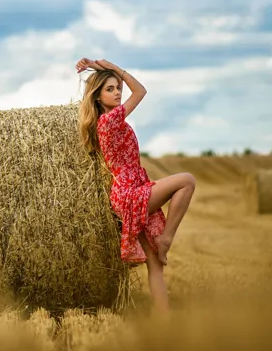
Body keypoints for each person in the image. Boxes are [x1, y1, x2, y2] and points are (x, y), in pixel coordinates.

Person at [76, 58, 196, 313]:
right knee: (186, 181)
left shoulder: (113, 121)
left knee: (155, 266)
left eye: (118, 87)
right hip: (130, 193)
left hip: (132, 188)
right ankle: (167, 239)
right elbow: (141, 91)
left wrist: (103, 70)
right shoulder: (108, 122)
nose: (118, 92)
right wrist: (115, 68)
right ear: (97, 97)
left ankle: (165, 321)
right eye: (110, 89)